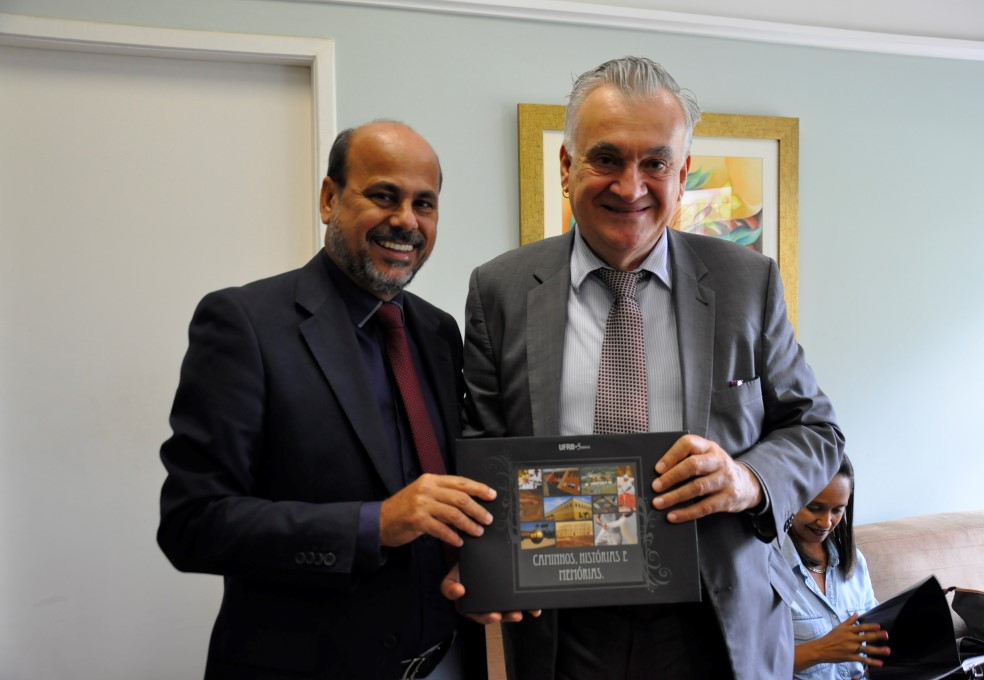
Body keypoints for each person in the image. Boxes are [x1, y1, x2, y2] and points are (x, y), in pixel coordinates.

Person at [452, 56, 844, 679]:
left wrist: (747, 479)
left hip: (717, 622)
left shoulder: (748, 283)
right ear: (566, 167)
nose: (630, 186)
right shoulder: (499, 290)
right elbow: (483, 449)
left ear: (682, 174)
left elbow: (816, 430)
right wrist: (481, 562)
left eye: (655, 163)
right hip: (562, 628)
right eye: (606, 158)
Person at [157, 121, 493, 679]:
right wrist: (374, 524)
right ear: (329, 198)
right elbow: (192, 525)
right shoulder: (244, 324)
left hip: (448, 660)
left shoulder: (439, 332)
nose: (406, 221)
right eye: (383, 195)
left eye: (424, 204)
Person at [785, 455, 890, 679]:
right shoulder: (766, 567)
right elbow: (749, 664)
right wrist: (821, 650)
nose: (826, 522)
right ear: (790, 497)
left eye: (837, 510)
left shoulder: (854, 561)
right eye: (814, 508)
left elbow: (875, 633)